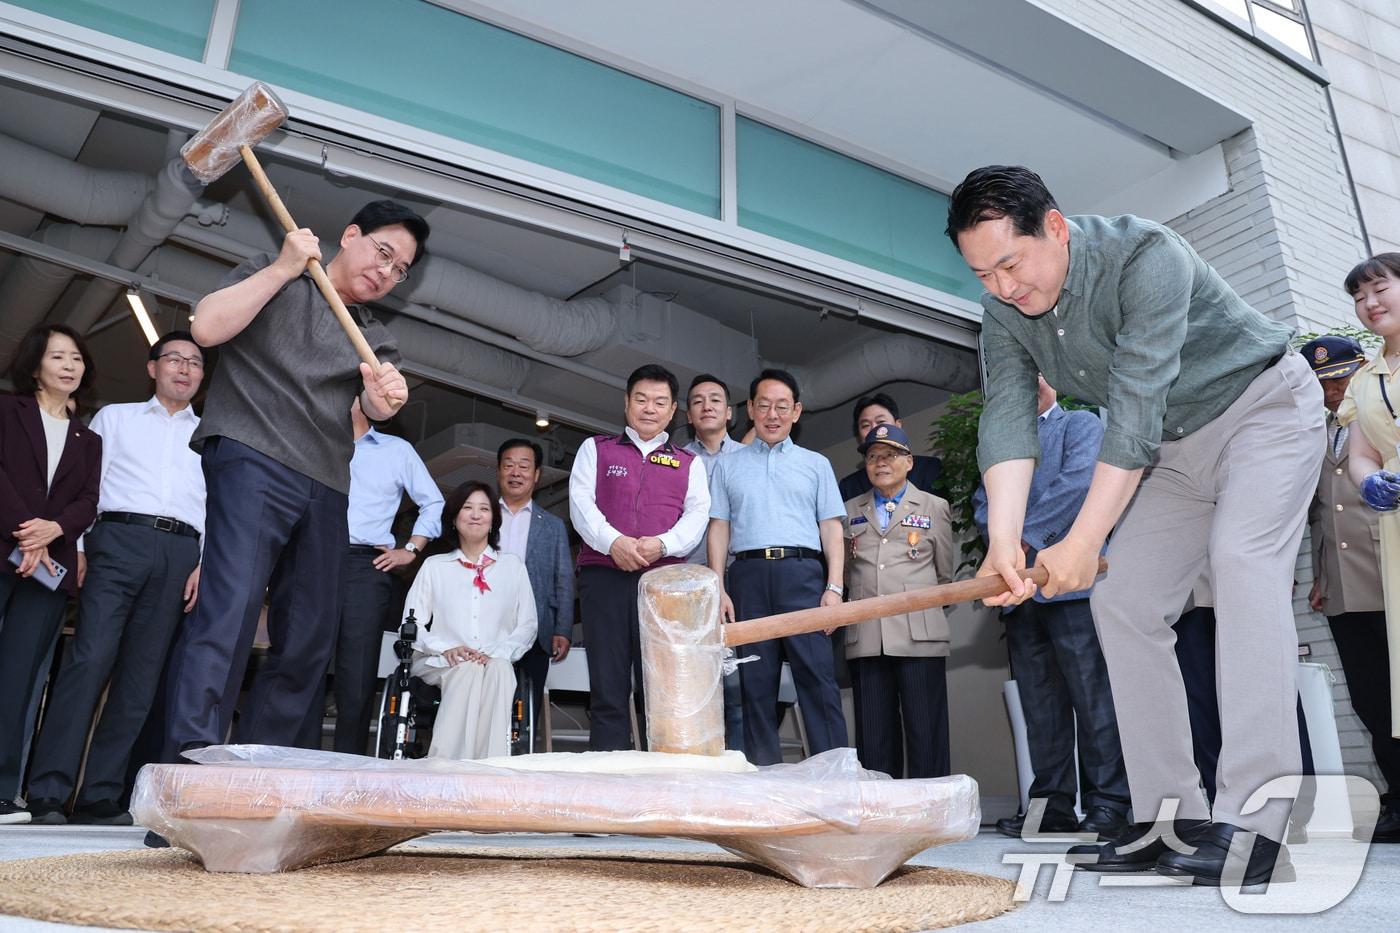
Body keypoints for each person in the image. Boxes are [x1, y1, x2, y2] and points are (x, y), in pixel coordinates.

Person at [949, 165, 1322, 885]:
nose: (1001, 287)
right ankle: (1168, 816)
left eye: (1009, 263)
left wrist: (1084, 540)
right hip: (1177, 453)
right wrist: (1003, 542)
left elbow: (1135, 403)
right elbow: (1006, 418)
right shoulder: (1003, 315)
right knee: (1123, 605)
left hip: (1264, 410)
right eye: (981, 273)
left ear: (1053, 228)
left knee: (1243, 564)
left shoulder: (1147, 255)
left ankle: (1256, 824)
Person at [159, 200, 428, 773]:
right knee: (227, 618)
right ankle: (188, 777)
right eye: (383, 252)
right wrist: (284, 268)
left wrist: (379, 404)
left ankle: (255, 775)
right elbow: (205, 328)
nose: (387, 271)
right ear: (349, 236)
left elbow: (357, 421)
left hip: (326, 482)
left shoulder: (375, 341)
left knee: (308, 639)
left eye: (400, 269)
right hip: (252, 456)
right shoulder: (275, 273)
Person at [26, 332, 205, 825]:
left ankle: (100, 795)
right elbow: (89, 486)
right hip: (117, 542)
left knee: (139, 680)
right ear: (153, 368)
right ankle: (47, 792)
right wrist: (79, 546)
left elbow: (215, 506)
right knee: (88, 662)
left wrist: (201, 561)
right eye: (174, 359)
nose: (184, 369)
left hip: (179, 552)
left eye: (194, 362)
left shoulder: (210, 435)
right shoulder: (115, 418)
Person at [972, 376, 1130, 841]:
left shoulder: (1079, 425)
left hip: (1072, 587)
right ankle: (1051, 804)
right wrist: (1007, 549)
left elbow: (1079, 485)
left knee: (1093, 698)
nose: (1030, 382)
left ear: (1054, 383)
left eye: (1039, 373)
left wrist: (1021, 542)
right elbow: (984, 504)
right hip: (1020, 594)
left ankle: (1111, 802)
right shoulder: (1001, 442)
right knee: (1040, 704)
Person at [708, 368, 848, 765]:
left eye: (782, 407)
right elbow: (719, 527)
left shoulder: (816, 464)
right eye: (764, 405)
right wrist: (719, 587)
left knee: (818, 679)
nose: (772, 414)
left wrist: (834, 588)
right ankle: (764, 781)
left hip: (803, 575)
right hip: (748, 578)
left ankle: (834, 774)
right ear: (750, 409)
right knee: (754, 684)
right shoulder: (728, 466)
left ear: (797, 411)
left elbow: (831, 528)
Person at [569, 364, 709, 750]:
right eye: (641, 399)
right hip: (604, 577)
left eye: (659, 402)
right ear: (627, 403)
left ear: (673, 410)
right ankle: (609, 778)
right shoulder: (596, 449)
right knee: (608, 682)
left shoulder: (689, 463)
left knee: (662, 685)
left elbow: (697, 516)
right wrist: (614, 542)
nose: (650, 408)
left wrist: (662, 545)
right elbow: (581, 505)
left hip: (662, 585)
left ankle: (662, 778)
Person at [0, 324, 101, 824]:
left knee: (19, 679)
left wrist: (54, 529)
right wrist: (28, 533)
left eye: (76, 358)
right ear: (35, 363)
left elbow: (88, 501)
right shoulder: (6, 409)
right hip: (9, 548)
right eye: (58, 356)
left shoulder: (89, 438)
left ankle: (2, 792)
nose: (69, 365)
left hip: (48, 570)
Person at [316, 397, 443, 755]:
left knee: (356, 674)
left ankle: (347, 769)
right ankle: (296, 761)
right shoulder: (316, 439)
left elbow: (433, 501)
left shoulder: (396, 450)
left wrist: (411, 549)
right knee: (303, 661)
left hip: (366, 564)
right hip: (314, 558)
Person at [843, 423, 953, 778]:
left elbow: (944, 576)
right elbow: (845, 573)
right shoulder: (848, 511)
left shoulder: (934, 507)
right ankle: (881, 813)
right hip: (868, 637)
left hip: (919, 635)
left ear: (909, 462)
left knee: (926, 732)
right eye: (873, 457)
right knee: (874, 738)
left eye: (889, 455)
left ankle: (934, 812)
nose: (880, 463)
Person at [1336, 260, 1400, 844]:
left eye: (1381, 287)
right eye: (1359, 295)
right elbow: (1361, 453)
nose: (1370, 301)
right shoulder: (1365, 380)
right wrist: (1368, 481)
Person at [406, 481, 536, 760]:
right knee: (467, 670)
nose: (476, 515)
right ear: (454, 519)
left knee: (500, 670)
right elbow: (411, 622)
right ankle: (445, 767)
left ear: (493, 521)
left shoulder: (512, 566)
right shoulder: (434, 566)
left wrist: (497, 653)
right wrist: (445, 648)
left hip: (495, 659)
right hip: (440, 661)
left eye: (484, 509)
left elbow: (527, 624)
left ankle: (491, 769)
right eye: (467, 508)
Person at [682, 373, 747, 750]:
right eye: (697, 401)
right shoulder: (675, 461)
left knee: (737, 676)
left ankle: (739, 766)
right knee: (690, 679)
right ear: (688, 414)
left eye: (715, 400)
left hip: (740, 575)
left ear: (730, 412)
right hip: (687, 580)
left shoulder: (749, 458)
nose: (707, 406)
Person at [497, 438, 573, 736]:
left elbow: (564, 579)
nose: (516, 472)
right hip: (486, 627)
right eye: (508, 465)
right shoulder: (481, 515)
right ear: (499, 471)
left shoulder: (552, 525)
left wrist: (563, 629)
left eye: (524, 466)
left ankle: (518, 767)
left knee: (526, 713)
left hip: (537, 630)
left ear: (537, 474)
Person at [837, 393, 943, 501]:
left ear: (898, 425)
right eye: (866, 425)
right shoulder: (849, 487)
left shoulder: (929, 468)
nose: (874, 429)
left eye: (881, 422)